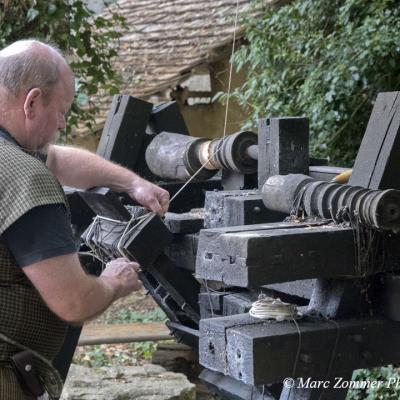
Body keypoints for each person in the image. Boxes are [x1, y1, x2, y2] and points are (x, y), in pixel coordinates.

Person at [0, 39, 170, 399]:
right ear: (31, 102)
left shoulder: (11, 155)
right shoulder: (25, 178)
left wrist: (134, 183)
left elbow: (57, 160)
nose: (62, 123)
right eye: (61, 111)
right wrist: (113, 282)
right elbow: (73, 302)